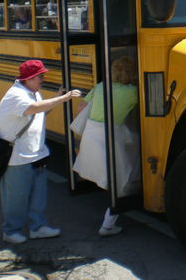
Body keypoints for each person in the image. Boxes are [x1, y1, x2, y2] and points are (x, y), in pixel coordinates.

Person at [0, 60, 81, 244]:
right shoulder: (15, 95)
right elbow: (32, 109)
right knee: (16, 197)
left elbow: (39, 113)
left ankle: (38, 227)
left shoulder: (33, 93)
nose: (43, 79)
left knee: (38, 195)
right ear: (30, 79)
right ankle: (11, 231)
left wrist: (56, 98)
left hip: (37, 153)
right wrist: (63, 98)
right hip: (18, 157)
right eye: (41, 76)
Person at [73, 56, 139, 236]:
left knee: (110, 176)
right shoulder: (133, 92)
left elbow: (81, 108)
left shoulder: (101, 86)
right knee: (121, 179)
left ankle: (109, 219)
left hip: (92, 136)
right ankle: (107, 225)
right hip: (112, 137)